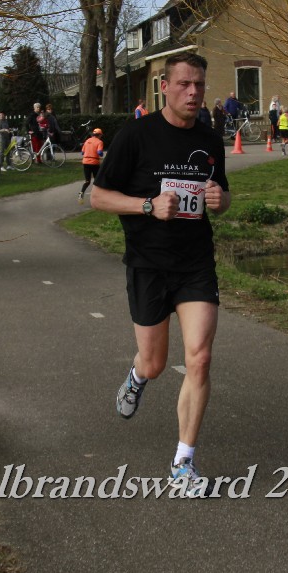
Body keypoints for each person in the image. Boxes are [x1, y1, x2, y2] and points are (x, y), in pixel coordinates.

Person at [90, 51, 231, 496]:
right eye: (184, 84)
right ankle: (137, 378)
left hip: (195, 264)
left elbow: (223, 195)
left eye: (200, 84)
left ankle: (183, 464)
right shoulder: (136, 135)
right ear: (164, 87)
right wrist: (147, 205)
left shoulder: (210, 140)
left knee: (200, 357)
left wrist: (220, 200)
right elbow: (98, 197)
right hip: (148, 264)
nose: (193, 92)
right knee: (154, 363)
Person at [78, 128, 105, 204]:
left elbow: (82, 152)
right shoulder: (99, 142)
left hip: (85, 162)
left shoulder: (87, 141)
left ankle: (81, 193)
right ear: (99, 135)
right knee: (97, 180)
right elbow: (99, 152)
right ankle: (97, 197)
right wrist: (101, 154)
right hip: (94, 163)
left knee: (87, 181)